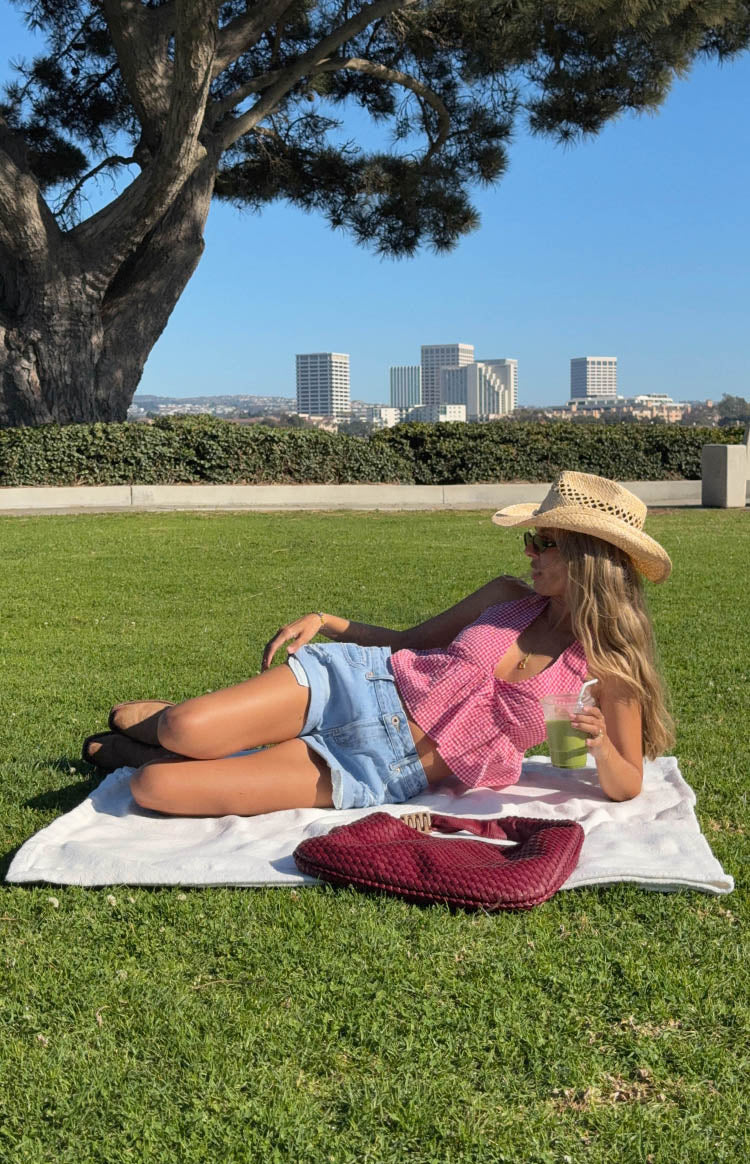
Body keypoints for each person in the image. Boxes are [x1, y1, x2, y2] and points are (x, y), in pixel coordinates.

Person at [82, 471, 674, 814]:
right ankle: (176, 730)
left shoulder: (604, 669)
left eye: (545, 543)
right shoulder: (504, 595)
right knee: (185, 728)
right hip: (360, 687)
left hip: (382, 766)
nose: (529, 552)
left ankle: (160, 747)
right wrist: (328, 621)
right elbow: (409, 641)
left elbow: (626, 785)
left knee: (153, 788)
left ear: (586, 558)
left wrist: (594, 745)